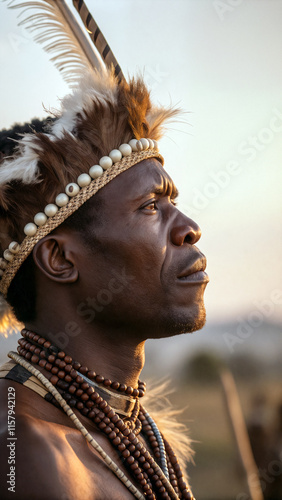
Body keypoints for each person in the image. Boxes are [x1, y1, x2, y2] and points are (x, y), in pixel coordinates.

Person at [0, 4, 209, 500]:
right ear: (60, 259)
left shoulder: (143, 441)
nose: (190, 229)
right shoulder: (21, 448)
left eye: (172, 201)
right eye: (149, 207)